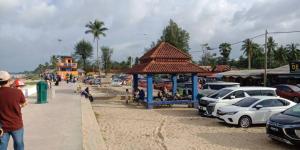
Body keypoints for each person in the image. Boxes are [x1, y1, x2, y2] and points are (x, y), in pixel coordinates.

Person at [0, 71, 27, 150]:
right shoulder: (17, 92)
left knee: (2, 146)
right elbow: (24, 102)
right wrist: (19, 106)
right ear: (9, 80)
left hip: (2, 127)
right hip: (16, 125)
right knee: (19, 145)